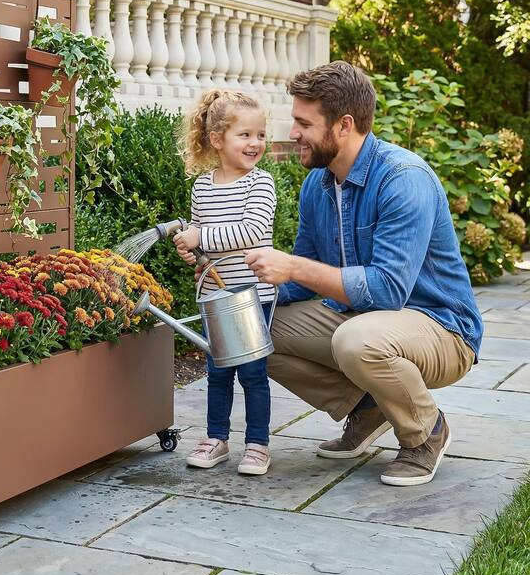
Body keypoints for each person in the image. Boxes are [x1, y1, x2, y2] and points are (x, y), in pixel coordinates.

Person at [245, 61, 482, 486]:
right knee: (253, 329)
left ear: (343, 125)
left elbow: (388, 290)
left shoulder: (403, 178)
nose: (292, 132)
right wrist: (244, 274)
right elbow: (301, 280)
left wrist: (294, 265)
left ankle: (425, 432)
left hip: (442, 328)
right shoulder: (317, 184)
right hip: (363, 319)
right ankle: (368, 408)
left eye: (304, 122)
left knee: (356, 341)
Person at [173, 89, 277, 476]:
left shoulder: (260, 184)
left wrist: (201, 238)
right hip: (216, 296)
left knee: (252, 373)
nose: (255, 143)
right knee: (217, 372)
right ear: (218, 140)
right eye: (245, 135)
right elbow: (203, 240)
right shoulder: (202, 186)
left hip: (252, 296)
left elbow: (252, 231)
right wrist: (193, 254)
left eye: (260, 135)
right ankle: (216, 438)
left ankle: (257, 444)